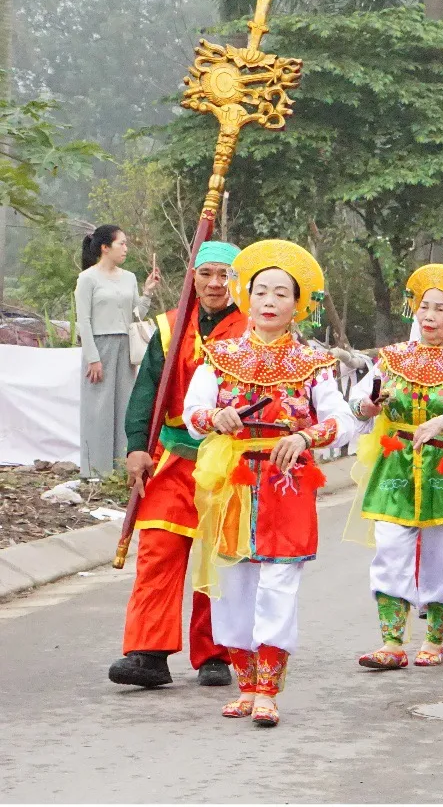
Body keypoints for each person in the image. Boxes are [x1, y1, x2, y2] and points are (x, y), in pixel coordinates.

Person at [183, 240, 357, 727]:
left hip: (287, 481)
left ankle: (269, 689)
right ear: (247, 296)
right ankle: (245, 684)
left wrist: (304, 436)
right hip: (231, 482)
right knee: (234, 583)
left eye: (282, 293)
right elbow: (191, 416)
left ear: (297, 303)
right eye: (261, 291)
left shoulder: (314, 362)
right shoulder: (217, 357)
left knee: (278, 582)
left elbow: (343, 422)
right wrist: (216, 416)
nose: (269, 301)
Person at [108, 242, 247, 690]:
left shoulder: (250, 331)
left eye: (223, 275)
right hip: (173, 457)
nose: (214, 283)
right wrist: (136, 446)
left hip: (226, 460)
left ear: (237, 281)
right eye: (205, 273)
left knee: (217, 556)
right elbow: (146, 390)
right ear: (191, 277)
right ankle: (148, 654)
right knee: (158, 553)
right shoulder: (168, 328)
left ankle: (215, 653)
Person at [348, 265, 443, 670]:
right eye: (425, 307)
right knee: (390, 549)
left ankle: (434, 639)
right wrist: (367, 405)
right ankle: (392, 642)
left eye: (441, 310)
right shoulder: (393, 359)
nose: (429, 316)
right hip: (396, 462)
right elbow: (359, 401)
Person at [76, 225, 160, 476]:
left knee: (125, 405)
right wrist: (92, 358)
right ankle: (94, 471)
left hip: (126, 346)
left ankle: (122, 469)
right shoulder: (87, 278)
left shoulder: (129, 277)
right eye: (121, 243)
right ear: (105, 247)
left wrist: (147, 293)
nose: (125, 248)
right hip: (99, 346)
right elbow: (84, 320)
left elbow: (135, 316)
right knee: (97, 408)